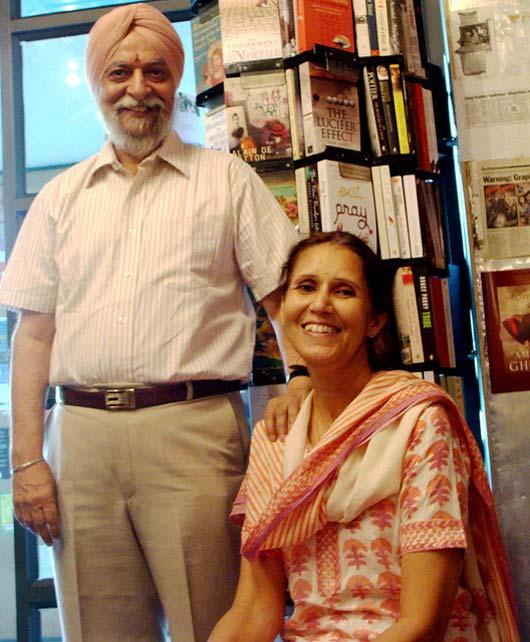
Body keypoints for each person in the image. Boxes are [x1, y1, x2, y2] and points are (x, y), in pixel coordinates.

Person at [0, 4, 311, 642]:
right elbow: (32, 338)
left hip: (195, 436)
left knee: (216, 624)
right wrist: (26, 462)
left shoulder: (228, 181)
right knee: (98, 628)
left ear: (176, 82)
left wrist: (303, 382)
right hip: (79, 442)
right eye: (119, 72)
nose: (138, 88)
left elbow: (285, 297)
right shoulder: (60, 199)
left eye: (156, 71)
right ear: (96, 84)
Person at [210, 232, 519, 642]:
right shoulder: (276, 438)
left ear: (375, 321)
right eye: (305, 287)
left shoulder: (419, 423)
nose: (320, 304)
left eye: (344, 291)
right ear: (283, 308)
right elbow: (253, 609)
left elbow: (422, 623)